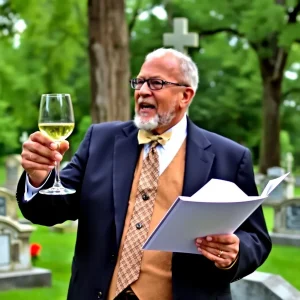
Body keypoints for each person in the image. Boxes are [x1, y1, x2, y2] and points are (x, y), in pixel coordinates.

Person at [17, 48, 272, 300]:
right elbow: (52, 209)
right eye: (139, 82)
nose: (142, 91)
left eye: (156, 83)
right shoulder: (101, 140)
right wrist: (38, 178)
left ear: (185, 95)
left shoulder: (229, 156)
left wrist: (236, 253)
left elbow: (256, 238)